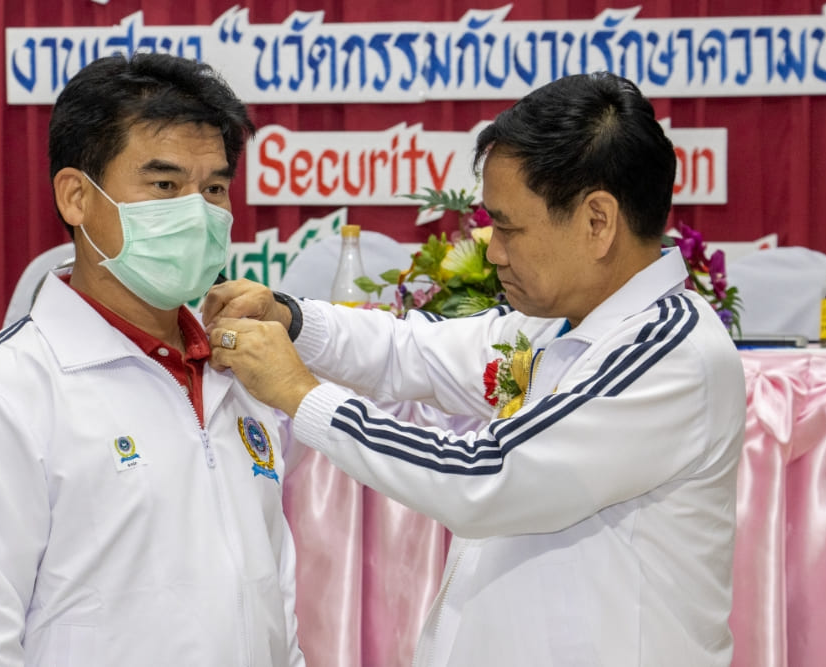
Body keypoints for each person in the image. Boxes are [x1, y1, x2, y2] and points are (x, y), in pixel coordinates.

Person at [203, 71, 745, 666]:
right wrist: (291, 318)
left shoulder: (669, 352)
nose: (493, 250)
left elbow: (482, 476)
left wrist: (301, 395)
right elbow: (413, 350)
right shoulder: (556, 324)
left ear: (598, 221)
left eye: (508, 227)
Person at [0, 53, 304, 666]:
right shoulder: (5, 393)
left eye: (214, 189)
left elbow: (274, 598)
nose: (197, 214)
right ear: (76, 196)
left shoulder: (240, 372)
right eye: (165, 186)